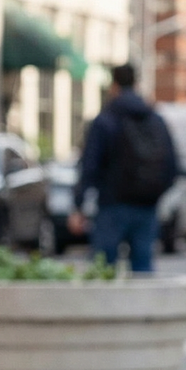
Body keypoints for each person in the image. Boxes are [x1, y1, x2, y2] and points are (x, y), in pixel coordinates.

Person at [68, 63, 178, 274]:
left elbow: (89, 166)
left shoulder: (105, 120)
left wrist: (79, 205)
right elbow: (172, 166)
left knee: (103, 270)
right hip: (147, 206)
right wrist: (155, 194)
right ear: (136, 84)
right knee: (143, 269)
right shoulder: (155, 120)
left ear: (114, 86)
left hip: (112, 204)